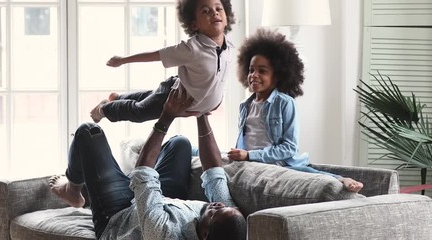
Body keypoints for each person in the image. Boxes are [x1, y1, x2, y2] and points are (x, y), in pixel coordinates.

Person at [49, 87, 247, 239]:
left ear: (204, 234)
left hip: (119, 214)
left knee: (88, 132)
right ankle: (103, 182)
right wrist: (201, 113)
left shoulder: (164, 234)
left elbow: (143, 174)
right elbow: (214, 172)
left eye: (215, 211)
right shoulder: (228, 218)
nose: (217, 205)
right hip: (163, 201)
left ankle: (73, 190)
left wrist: (167, 115)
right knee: (180, 143)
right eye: (223, 206)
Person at [226, 28, 363, 193]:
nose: (254, 75)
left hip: (279, 164)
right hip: (252, 166)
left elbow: (289, 148)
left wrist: (250, 155)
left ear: (277, 75)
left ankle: (341, 179)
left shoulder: (285, 103)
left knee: (311, 176)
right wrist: (240, 157)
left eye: (262, 71)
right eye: (251, 70)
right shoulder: (245, 106)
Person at [90, 0, 236, 123]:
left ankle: (118, 98)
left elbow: (218, 79)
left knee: (150, 98)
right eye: (205, 11)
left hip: (187, 102)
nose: (214, 13)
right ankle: (105, 109)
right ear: (194, 24)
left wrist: (212, 103)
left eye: (218, 8)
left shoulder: (228, 47)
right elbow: (156, 55)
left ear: (227, 18)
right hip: (173, 94)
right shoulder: (192, 48)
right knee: (141, 112)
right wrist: (123, 60)